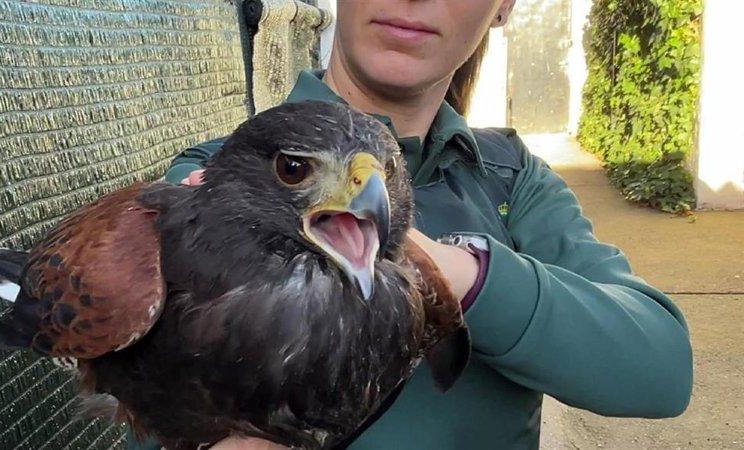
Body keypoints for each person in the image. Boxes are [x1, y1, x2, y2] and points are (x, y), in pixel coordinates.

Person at [139, 0, 693, 448]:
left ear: (503, 8)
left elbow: (660, 372)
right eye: (295, 170)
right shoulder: (213, 179)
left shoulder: (512, 179)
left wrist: (459, 274)